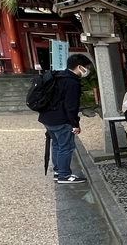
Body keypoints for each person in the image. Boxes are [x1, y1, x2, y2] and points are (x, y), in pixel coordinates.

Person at [39, 53, 93, 184]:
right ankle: (64, 175)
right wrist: (75, 123)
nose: (87, 70)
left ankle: (58, 171)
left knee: (57, 145)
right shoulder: (72, 82)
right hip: (61, 119)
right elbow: (71, 106)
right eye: (86, 67)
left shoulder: (57, 76)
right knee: (66, 147)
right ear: (79, 67)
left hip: (48, 117)